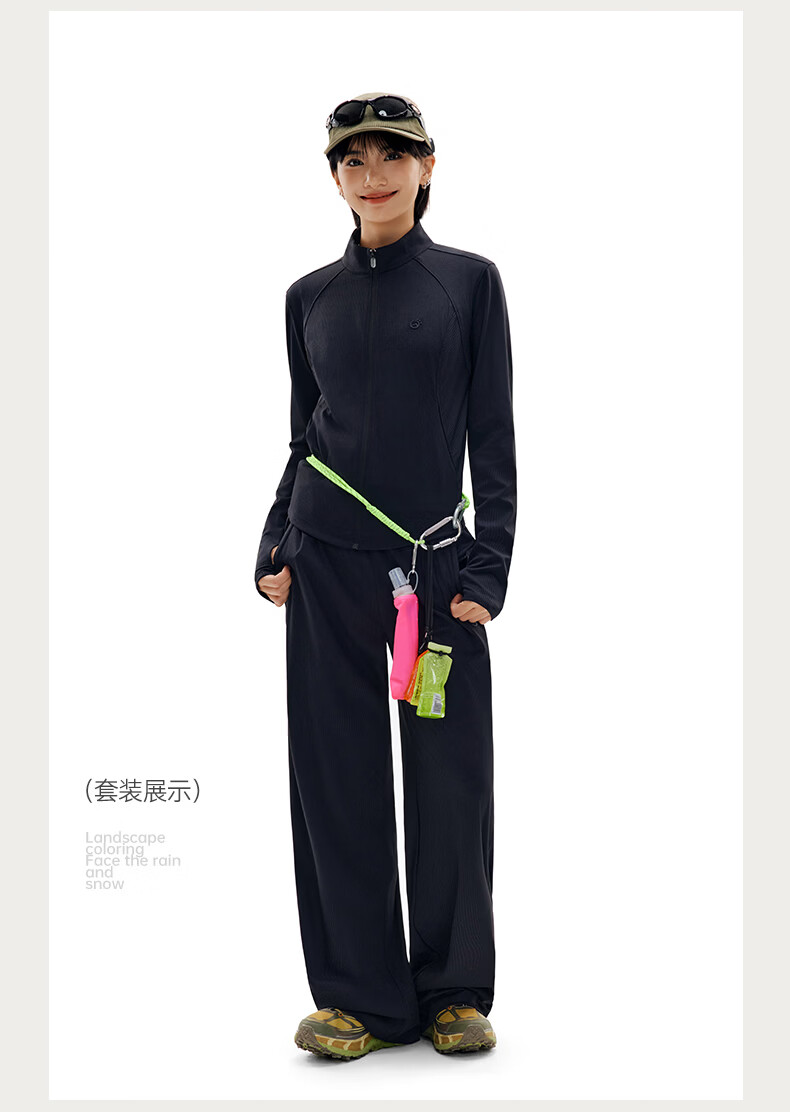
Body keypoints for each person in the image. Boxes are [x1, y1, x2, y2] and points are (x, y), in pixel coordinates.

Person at [254, 92, 517, 1060]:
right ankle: (361, 998)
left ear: (427, 167)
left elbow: (492, 432)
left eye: (392, 157)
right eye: (354, 161)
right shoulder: (308, 295)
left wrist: (489, 562)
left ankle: (453, 989)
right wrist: (274, 539)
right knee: (334, 773)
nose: (373, 176)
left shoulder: (468, 283)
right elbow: (305, 434)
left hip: (433, 564)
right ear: (334, 178)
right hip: (323, 561)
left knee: (449, 774)